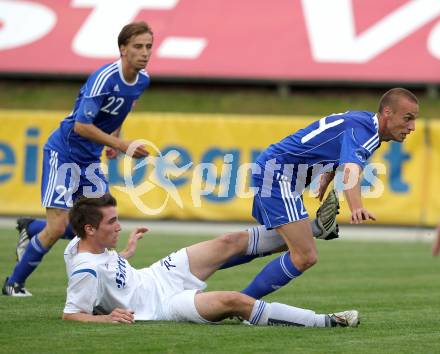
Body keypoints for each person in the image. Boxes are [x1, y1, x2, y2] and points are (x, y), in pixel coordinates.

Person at [3, 21, 154, 296]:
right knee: (59, 226)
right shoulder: (104, 78)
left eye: (148, 47)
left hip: (90, 159)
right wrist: (120, 143)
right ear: (122, 49)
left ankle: (32, 227)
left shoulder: (142, 80)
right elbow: (80, 127)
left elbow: (119, 112)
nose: (144, 52)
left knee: (97, 227)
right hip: (64, 154)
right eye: (137, 46)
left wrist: (114, 138)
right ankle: (14, 283)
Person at [62, 193, 359, 327]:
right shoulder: (85, 270)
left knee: (228, 242)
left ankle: (317, 228)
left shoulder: (80, 244)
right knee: (234, 301)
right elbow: (72, 314)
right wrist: (105, 317)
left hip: (157, 275)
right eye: (112, 222)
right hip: (161, 306)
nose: (118, 226)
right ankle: (326, 322)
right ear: (90, 229)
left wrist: (125, 253)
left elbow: (108, 272)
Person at [240, 88, 419, 300]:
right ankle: (240, 302)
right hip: (278, 174)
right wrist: (357, 208)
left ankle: (194, 267)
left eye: (414, 120)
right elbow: (351, 169)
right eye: (407, 118)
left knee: (266, 243)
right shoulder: (366, 133)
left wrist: (327, 175)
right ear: (388, 112)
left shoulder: (363, 121)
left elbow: (336, 144)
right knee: (304, 256)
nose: (412, 127)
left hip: (276, 170)